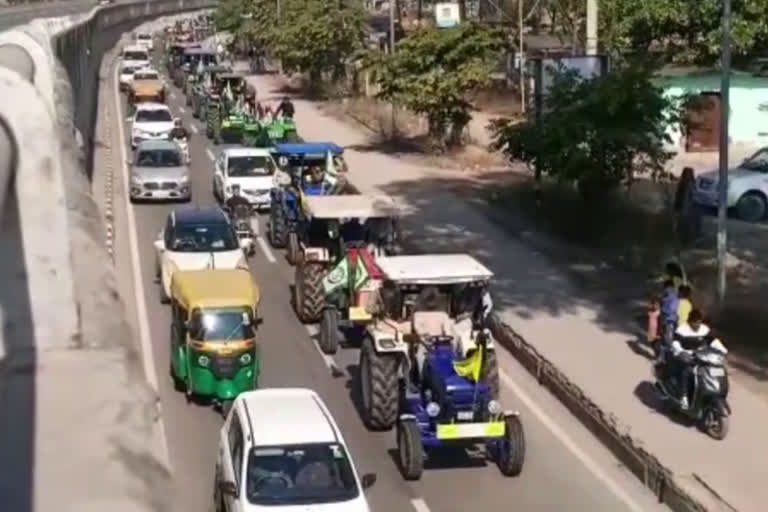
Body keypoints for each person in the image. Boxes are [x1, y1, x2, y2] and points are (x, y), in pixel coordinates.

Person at [670, 309, 712, 409]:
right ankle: (683, 396)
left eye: (700, 322)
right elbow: (675, 343)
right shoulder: (682, 329)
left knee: (709, 370)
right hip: (684, 355)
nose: (698, 325)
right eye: (696, 322)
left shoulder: (705, 329)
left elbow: (712, 342)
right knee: (687, 371)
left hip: (700, 356)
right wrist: (681, 351)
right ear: (690, 321)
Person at [674, 167, 701, 246]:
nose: (689, 175)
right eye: (688, 173)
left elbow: (697, 197)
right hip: (684, 209)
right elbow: (678, 197)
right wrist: (677, 209)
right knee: (683, 227)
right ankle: (684, 243)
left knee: (692, 226)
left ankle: (689, 242)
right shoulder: (682, 184)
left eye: (691, 173)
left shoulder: (693, 184)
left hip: (692, 209)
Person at [659, 279, 679, 344]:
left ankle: (667, 347)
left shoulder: (668, 292)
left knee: (667, 334)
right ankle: (667, 345)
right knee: (669, 333)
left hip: (668, 316)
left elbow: (664, 303)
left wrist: (663, 310)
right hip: (672, 317)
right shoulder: (675, 293)